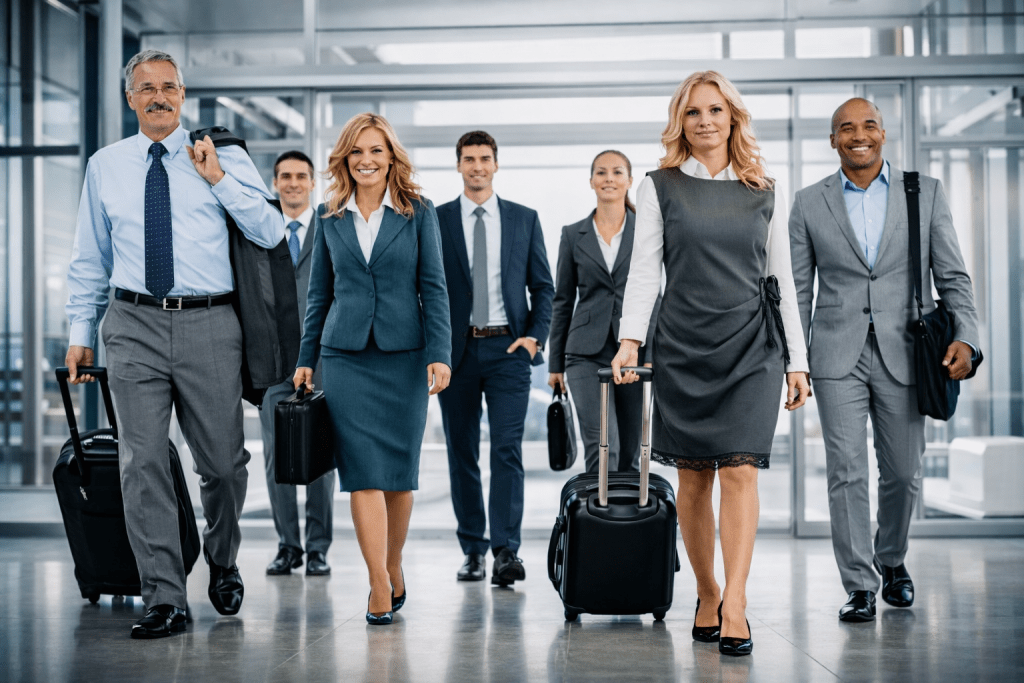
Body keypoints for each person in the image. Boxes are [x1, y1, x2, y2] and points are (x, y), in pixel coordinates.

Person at [64, 49, 285, 639]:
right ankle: (163, 594)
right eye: (146, 88)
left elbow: (270, 229)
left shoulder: (223, 154)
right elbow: (90, 257)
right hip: (131, 321)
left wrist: (217, 179)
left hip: (210, 324)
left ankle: (222, 556)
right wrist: (80, 334)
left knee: (224, 464)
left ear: (183, 96)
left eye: (169, 87)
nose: (158, 96)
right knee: (142, 465)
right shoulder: (105, 165)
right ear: (130, 98)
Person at [612, 71, 811, 657]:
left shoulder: (765, 189)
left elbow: (783, 284)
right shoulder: (658, 187)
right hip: (684, 345)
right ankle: (706, 591)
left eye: (716, 110)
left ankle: (738, 602)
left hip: (754, 347)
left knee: (741, 470)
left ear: (733, 118)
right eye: (694, 112)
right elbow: (646, 271)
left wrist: (797, 360)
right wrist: (629, 341)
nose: (705, 121)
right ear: (681, 120)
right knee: (695, 477)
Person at [789, 98, 980, 623]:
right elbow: (798, 290)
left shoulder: (925, 193)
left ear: (884, 133)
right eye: (845, 127)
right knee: (846, 471)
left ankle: (891, 559)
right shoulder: (809, 203)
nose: (858, 134)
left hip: (906, 350)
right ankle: (859, 584)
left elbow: (953, 277)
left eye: (868, 124)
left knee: (903, 473)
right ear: (832, 141)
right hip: (835, 354)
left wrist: (968, 337)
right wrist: (794, 362)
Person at [293, 113, 451, 625]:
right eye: (357, 151)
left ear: (391, 158)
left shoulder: (418, 211)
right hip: (344, 359)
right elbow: (319, 294)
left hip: (405, 358)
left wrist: (439, 352)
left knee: (399, 478)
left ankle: (394, 562)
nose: (366, 160)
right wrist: (306, 359)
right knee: (361, 473)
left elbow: (435, 287)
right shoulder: (328, 215)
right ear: (345, 158)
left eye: (376, 151)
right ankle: (377, 582)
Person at [435, 131, 554, 586]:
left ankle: (506, 550)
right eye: (469, 159)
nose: (477, 167)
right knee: (461, 451)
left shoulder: (524, 219)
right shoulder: (438, 219)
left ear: (496, 164)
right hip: (456, 353)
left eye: (485, 159)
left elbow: (543, 287)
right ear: (459, 165)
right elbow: (427, 287)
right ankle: (473, 549)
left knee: (506, 449)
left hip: (509, 350)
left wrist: (533, 339)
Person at [547, 150, 660, 474]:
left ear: (629, 180)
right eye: (601, 172)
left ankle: (627, 522)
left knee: (630, 448)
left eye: (617, 172)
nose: (609, 178)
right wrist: (555, 363)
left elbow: (656, 295)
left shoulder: (646, 230)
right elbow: (563, 300)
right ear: (591, 181)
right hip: (585, 351)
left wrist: (649, 352)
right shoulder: (573, 234)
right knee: (600, 442)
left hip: (634, 350)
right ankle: (598, 520)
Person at [259, 151, 335, 577]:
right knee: (277, 459)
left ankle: (318, 547)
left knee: (321, 458)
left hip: (322, 358)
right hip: (273, 363)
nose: (292, 183)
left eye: (300, 176)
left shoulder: (329, 225)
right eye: (285, 176)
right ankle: (288, 545)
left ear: (312, 183)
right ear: (275, 182)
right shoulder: (261, 230)